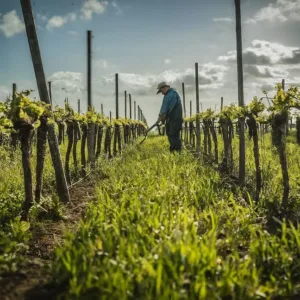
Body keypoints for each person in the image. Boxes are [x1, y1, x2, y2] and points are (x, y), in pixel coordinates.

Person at [154, 81, 183, 152]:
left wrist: (160, 118)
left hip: (174, 119)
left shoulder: (170, 94)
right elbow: (167, 109)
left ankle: (176, 152)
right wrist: (163, 119)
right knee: (172, 135)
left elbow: (164, 108)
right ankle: (175, 152)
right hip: (173, 119)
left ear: (164, 88)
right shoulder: (172, 93)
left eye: (161, 91)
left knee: (173, 135)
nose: (162, 93)